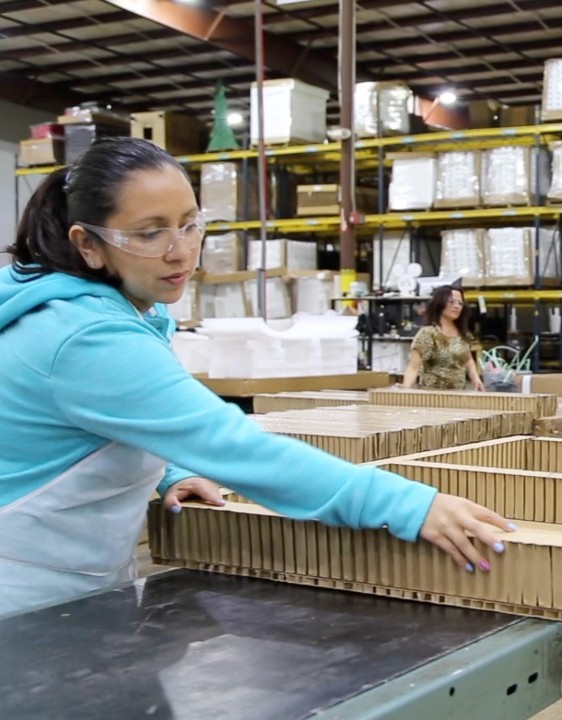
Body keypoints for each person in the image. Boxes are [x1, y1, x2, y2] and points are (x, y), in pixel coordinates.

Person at [0, 137, 512, 617]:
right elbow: (230, 444)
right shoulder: (84, 336)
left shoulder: (117, 312)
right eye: (149, 232)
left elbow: (125, 420)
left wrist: (172, 469)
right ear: (88, 244)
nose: (179, 250)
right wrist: (408, 505)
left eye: (189, 223)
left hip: (70, 581)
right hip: (23, 595)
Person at [400, 285, 485, 391]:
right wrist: (405, 388)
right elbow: (414, 366)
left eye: (460, 303)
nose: (457, 306)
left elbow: (468, 359)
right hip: (432, 396)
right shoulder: (428, 333)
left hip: (458, 396)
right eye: (451, 302)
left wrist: (476, 380)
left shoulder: (463, 334)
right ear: (440, 304)